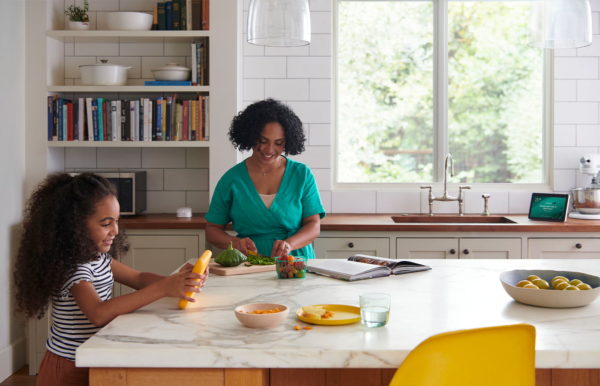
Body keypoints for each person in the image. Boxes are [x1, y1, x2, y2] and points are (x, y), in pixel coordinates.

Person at [13, 173, 208, 386]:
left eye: (116, 221)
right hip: (68, 367)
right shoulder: (74, 268)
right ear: (74, 225)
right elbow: (98, 313)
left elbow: (138, 277)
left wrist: (180, 280)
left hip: (93, 357)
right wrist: (163, 288)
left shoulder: (98, 258)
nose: (115, 230)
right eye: (106, 223)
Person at [205, 98, 325, 259]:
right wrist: (235, 243)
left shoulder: (302, 175)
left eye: (278, 143)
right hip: (248, 264)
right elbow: (212, 230)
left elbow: (313, 225)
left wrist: (289, 244)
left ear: (287, 143)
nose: (269, 149)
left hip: (295, 263)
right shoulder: (232, 179)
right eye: (262, 140)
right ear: (250, 136)